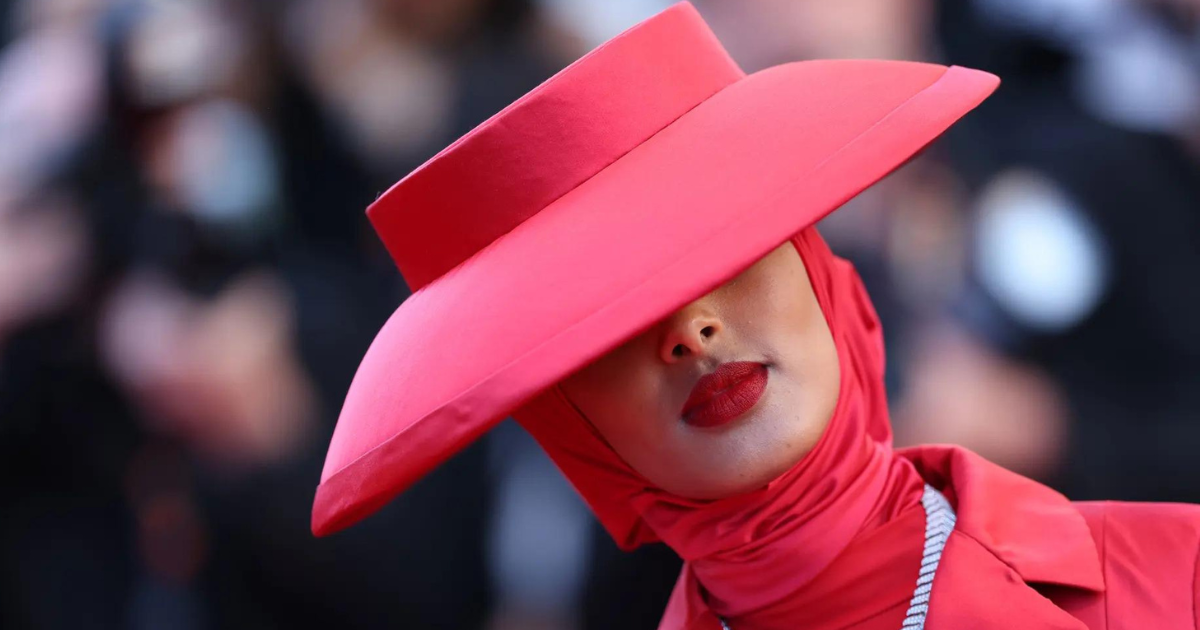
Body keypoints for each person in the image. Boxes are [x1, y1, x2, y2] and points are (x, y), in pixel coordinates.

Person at [309, 2, 1200, 628]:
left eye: (727, 249)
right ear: (571, 429)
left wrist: (1059, 424)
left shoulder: (1175, 575)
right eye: (605, 318)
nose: (691, 326)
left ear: (822, 271)